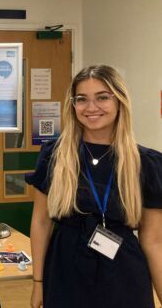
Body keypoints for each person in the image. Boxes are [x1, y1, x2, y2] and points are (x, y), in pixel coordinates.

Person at [27, 65, 162, 308]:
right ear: (73, 105)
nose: (91, 107)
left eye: (102, 97)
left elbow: (153, 241)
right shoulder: (55, 155)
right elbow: (41, 221)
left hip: (124, 276)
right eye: (82, 99)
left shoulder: (146, 163)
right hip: (65, 272)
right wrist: (38, 282)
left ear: (120, 102)